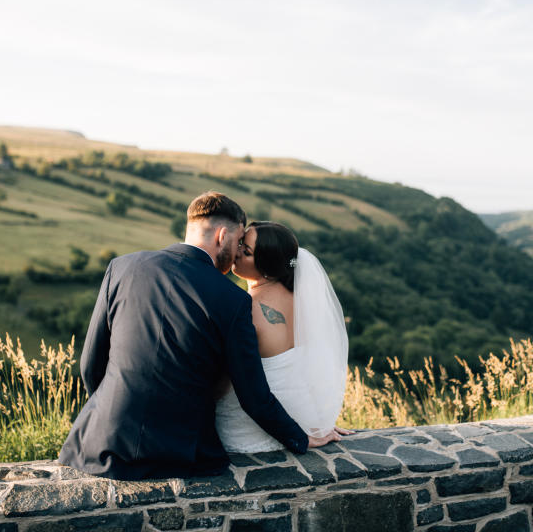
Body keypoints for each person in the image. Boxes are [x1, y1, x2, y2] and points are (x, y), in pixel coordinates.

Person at [57, 192, 341, 479]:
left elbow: (91, 365)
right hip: (181, 454)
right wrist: (301, 438)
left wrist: (112, 417)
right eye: (238, 241)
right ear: (221, 236)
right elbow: (253, 396)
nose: (237, 251)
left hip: (99, 445)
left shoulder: (122, 267)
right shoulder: (232, 299)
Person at [216, 221, 351, 452]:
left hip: (250, 430)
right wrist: (315, 421)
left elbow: (223, 384)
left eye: (245, 251)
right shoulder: (304, 303)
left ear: (267, 268)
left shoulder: (244, 309)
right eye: (240, 244)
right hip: (301, 419)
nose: (236, 252)